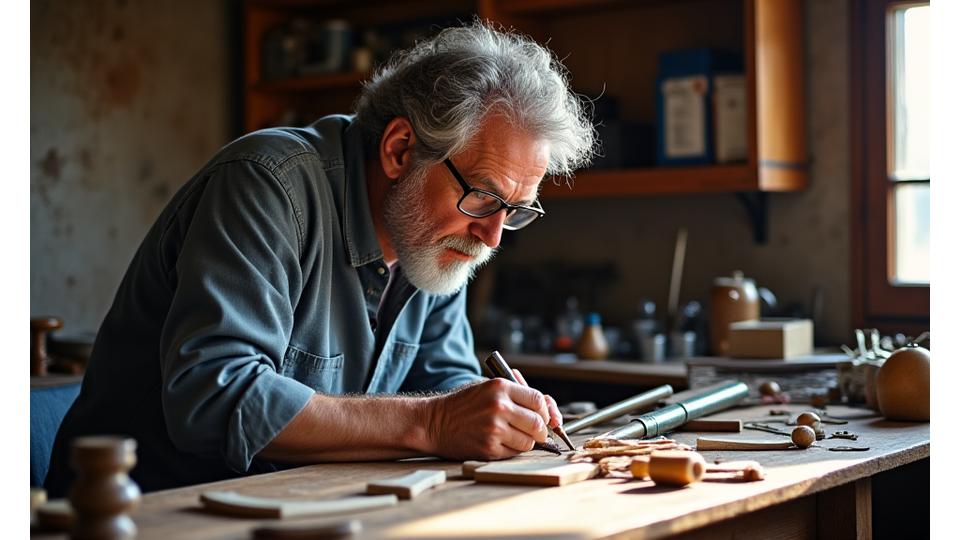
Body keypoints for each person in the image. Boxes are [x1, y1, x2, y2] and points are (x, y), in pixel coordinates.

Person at [45, 20, 596, 495]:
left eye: (516, 210)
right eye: (483, 195)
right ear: (401, 149)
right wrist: (432, 422)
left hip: (301, 504)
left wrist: (491, 414)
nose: (494, 236)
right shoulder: (267, 186)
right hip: (145, 512)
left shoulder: (440, 237)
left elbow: (443, 379)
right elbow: (212, 399)